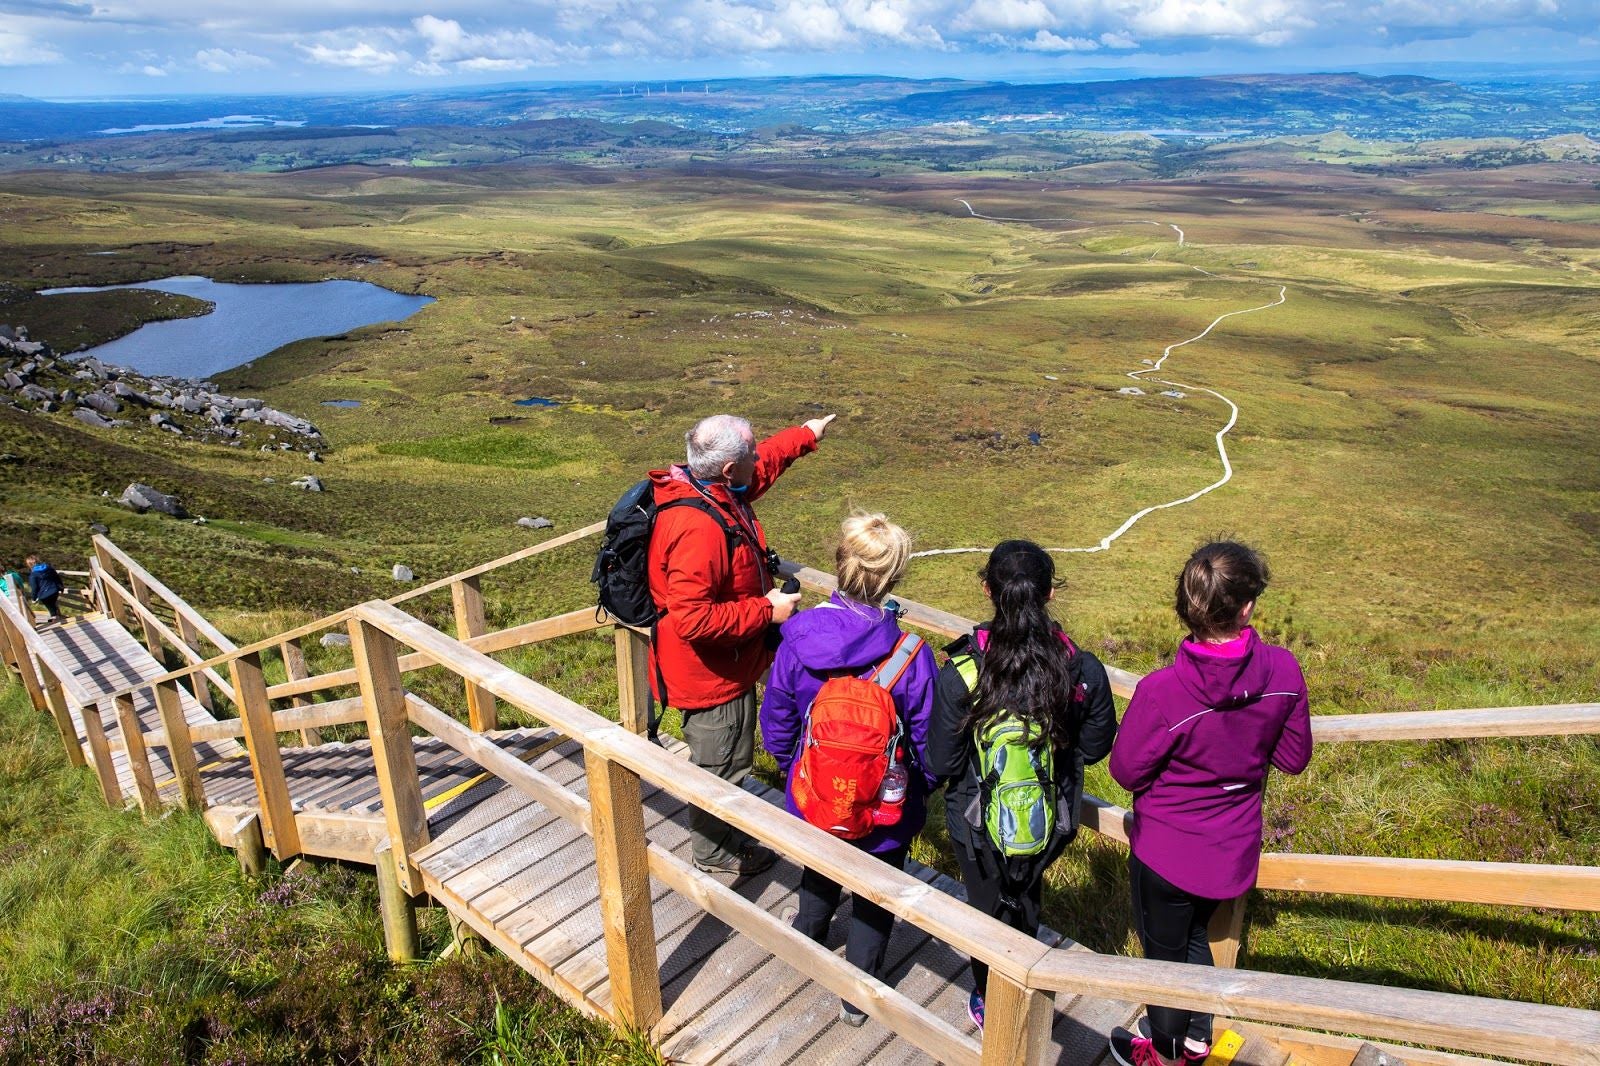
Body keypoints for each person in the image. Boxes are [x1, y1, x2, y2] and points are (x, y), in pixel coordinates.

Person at [1106, 541, 1312, 1066]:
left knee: (1166, 956)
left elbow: (1126, 770)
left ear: (1186, 606)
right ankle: (1197, 1039)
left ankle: (1168, 1052)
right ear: (1246, 608)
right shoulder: (1283, 673)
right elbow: (1292, 757)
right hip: (1232, 849)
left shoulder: (1162, 691)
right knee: (1198, 934)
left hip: (1166, 852)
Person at [928, 540, 1117, 1030]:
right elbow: (1095, 748)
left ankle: (992, 1001)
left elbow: (943, 760)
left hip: (974, 821)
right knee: (1027, 898)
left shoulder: (963, 671)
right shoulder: (1081, 669)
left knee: (985, 906)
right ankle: (1026, 987)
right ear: (1051, 593)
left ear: (988, 589)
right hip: (1050, 819)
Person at [759, 512, 938, 1027]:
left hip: (815, 796)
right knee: (874, 896)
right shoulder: (911, 655)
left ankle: (807, 940)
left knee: (818, 871)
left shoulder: (797, 637)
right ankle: (858, 993)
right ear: (893, 579)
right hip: (884, 810)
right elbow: (926, 743)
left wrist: (798, 768)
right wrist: (913, 792)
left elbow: (777, 722)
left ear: (840, 563)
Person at [649, 411, 834, 877]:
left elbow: (763, 463)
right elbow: (692, 618)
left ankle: (726, 834)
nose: (758, 458)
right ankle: (716, 857)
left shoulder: (707, 489)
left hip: (721, 663)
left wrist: (804, 435)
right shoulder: (700, 528)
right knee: (721, 765)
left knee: (728, 758)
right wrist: (766, 611)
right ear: (729, 469)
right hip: (711, 677)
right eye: (749, 454)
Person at [25, 554, 65, 625]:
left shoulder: (33, 575)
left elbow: (34, 588)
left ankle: (55, 619)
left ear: (29, 564)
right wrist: (61, 587)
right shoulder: (48, 567)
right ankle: (56, 617)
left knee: (50, 605)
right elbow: (56, 577)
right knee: (52, 604)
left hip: (44, 595)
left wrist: (34, 599)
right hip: (55, 590)